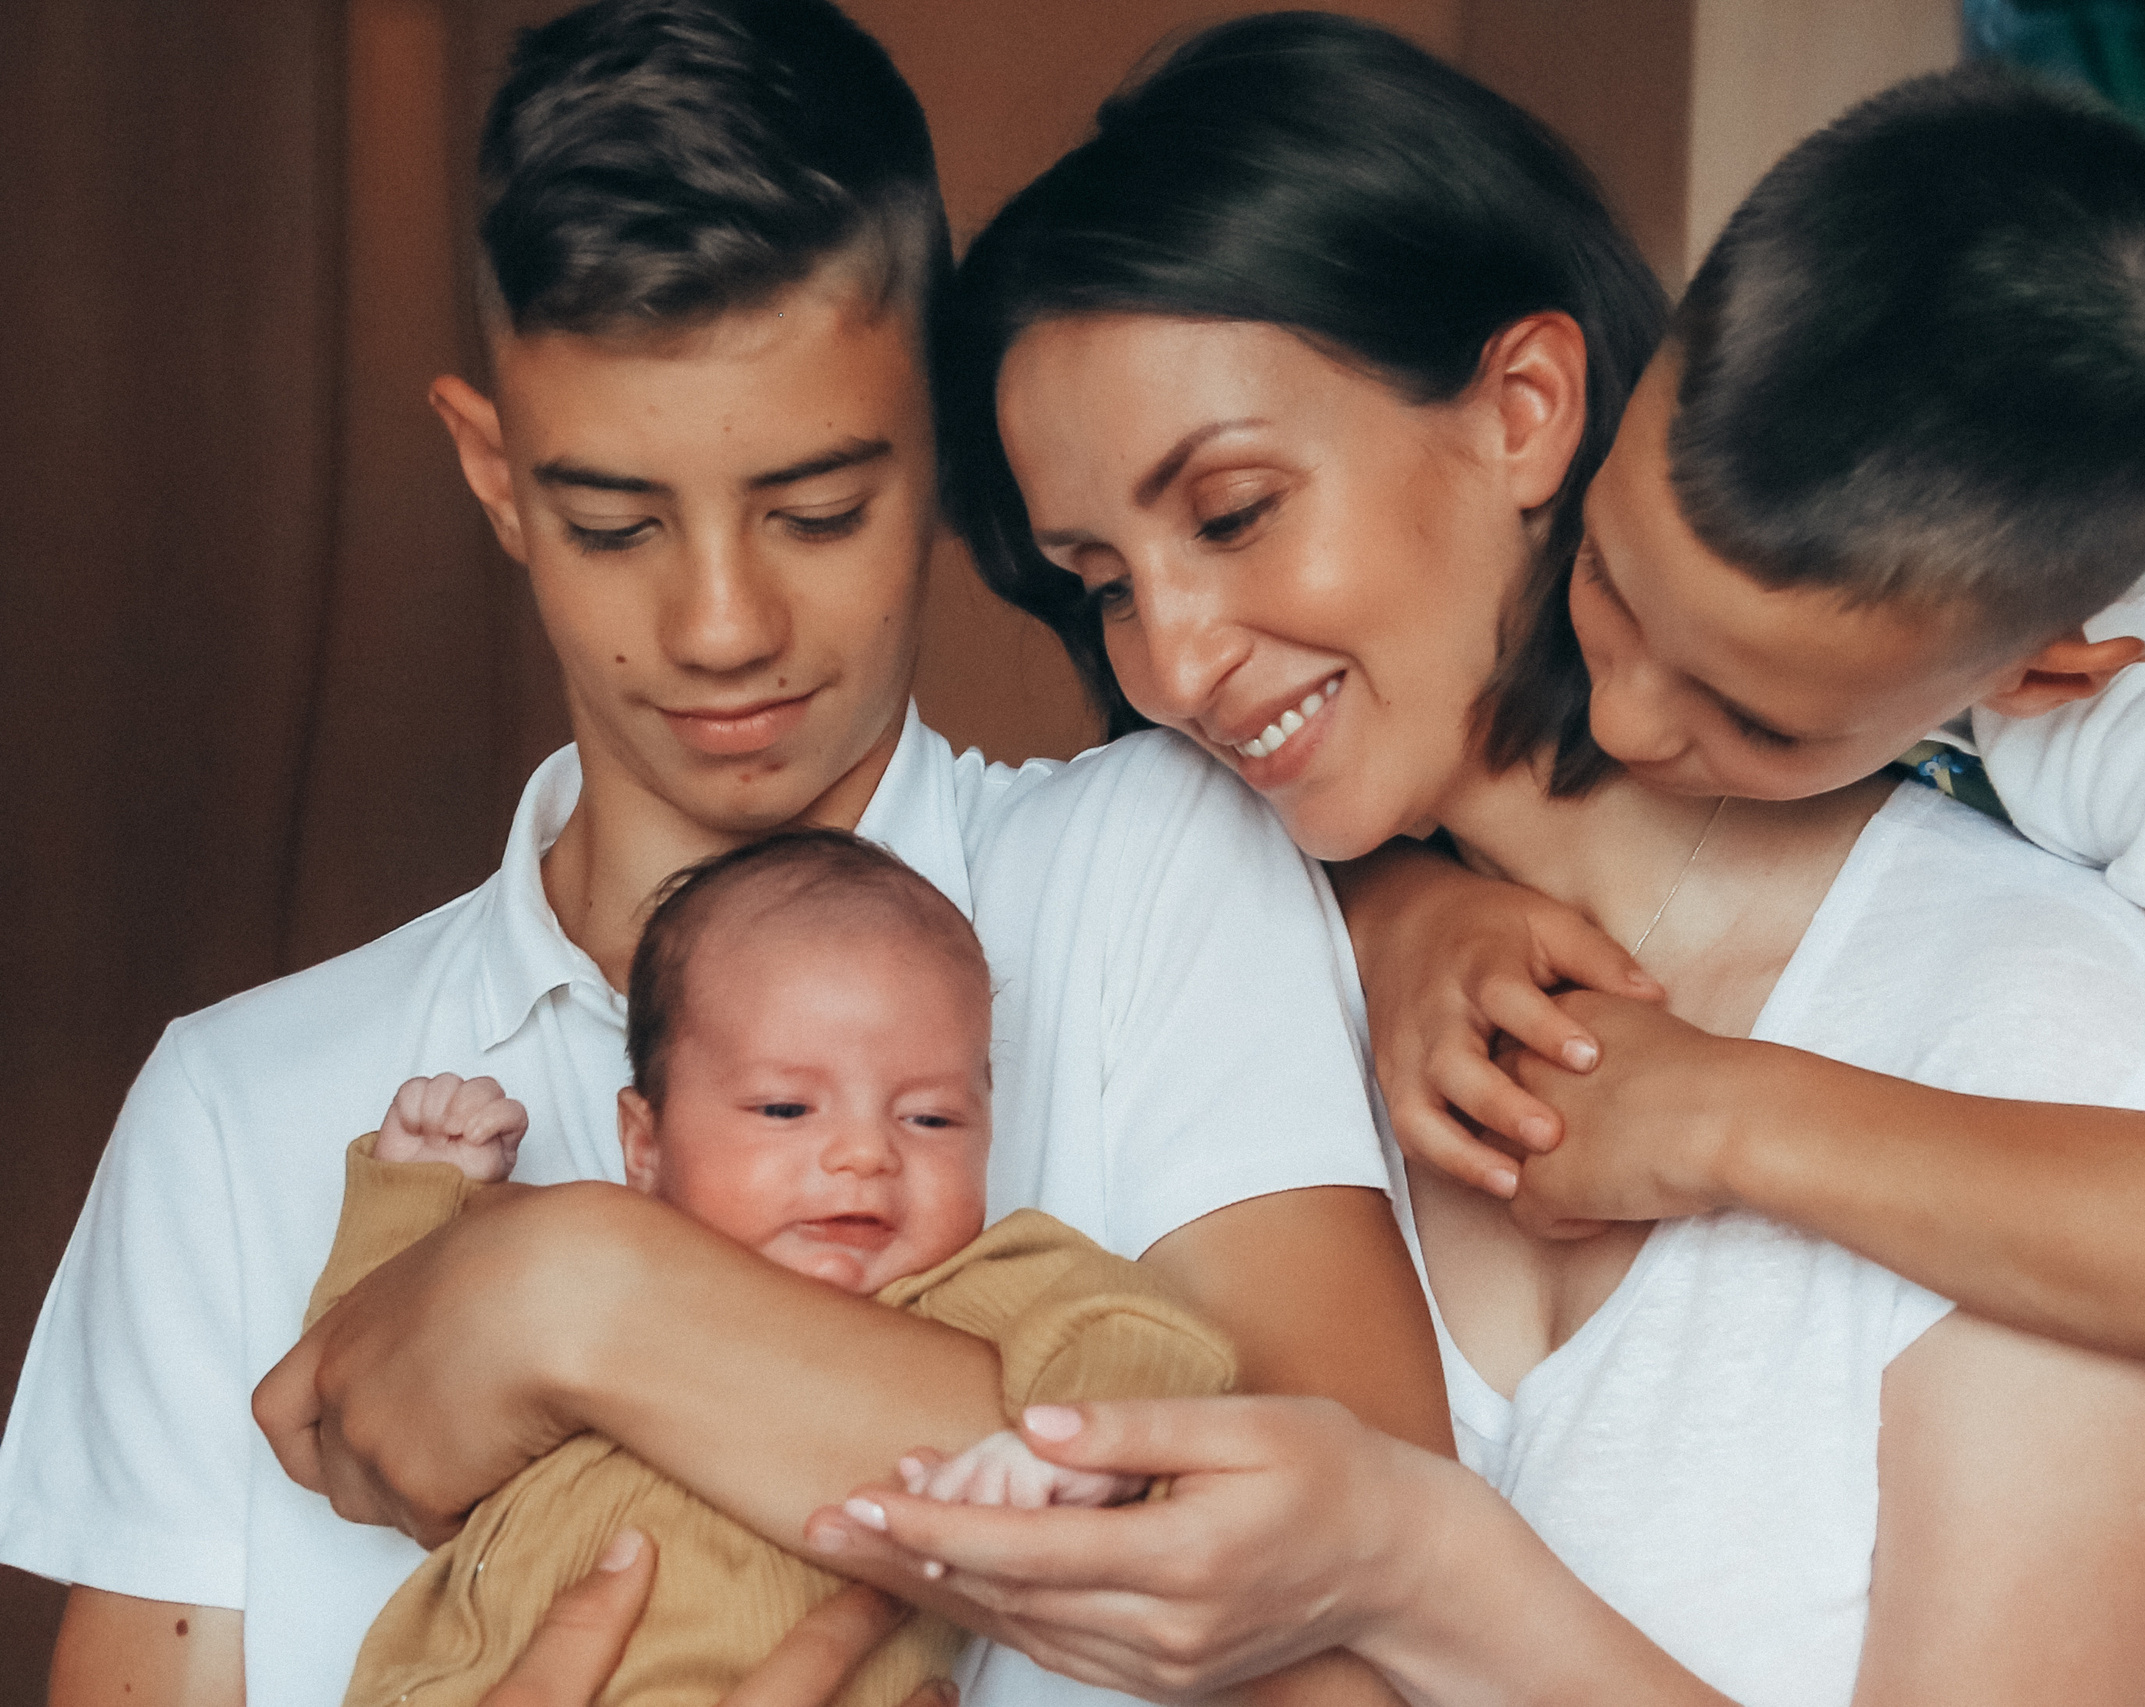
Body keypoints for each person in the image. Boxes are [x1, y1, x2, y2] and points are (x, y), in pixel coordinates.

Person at [820, 15, 2145, 1704]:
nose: (1172, 658)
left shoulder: (2036, 1035)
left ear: (1525, 410)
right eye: (1100, 578)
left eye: (1229, 512)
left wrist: (1421, 1561)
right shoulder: (1212, 971)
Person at [0, 6, 1441, 1705]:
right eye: (616, 523)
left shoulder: (1146, 876)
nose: (721, 625)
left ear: (938, 443)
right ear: (494, 473)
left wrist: (583, 1292)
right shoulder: (233, 1117)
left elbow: (1373, 1624)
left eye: (816, 510)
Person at [1338, 62, 2145, 1426]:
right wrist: (1402, 907)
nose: (1622, 716)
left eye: (1758, 719)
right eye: (1607, 575)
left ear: (2042, 667)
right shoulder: (1672, 416)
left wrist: (1726, 1118)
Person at [322, 830, 1237, 1707]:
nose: (863, 1155)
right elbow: (364, 1390)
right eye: (787, 1106)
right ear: (643, 1141)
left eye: (930, 1119)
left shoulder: (970, 1287)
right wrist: (418, 1194)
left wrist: (1061, 1455)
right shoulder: (560, 1291)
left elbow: (1145, 1338)